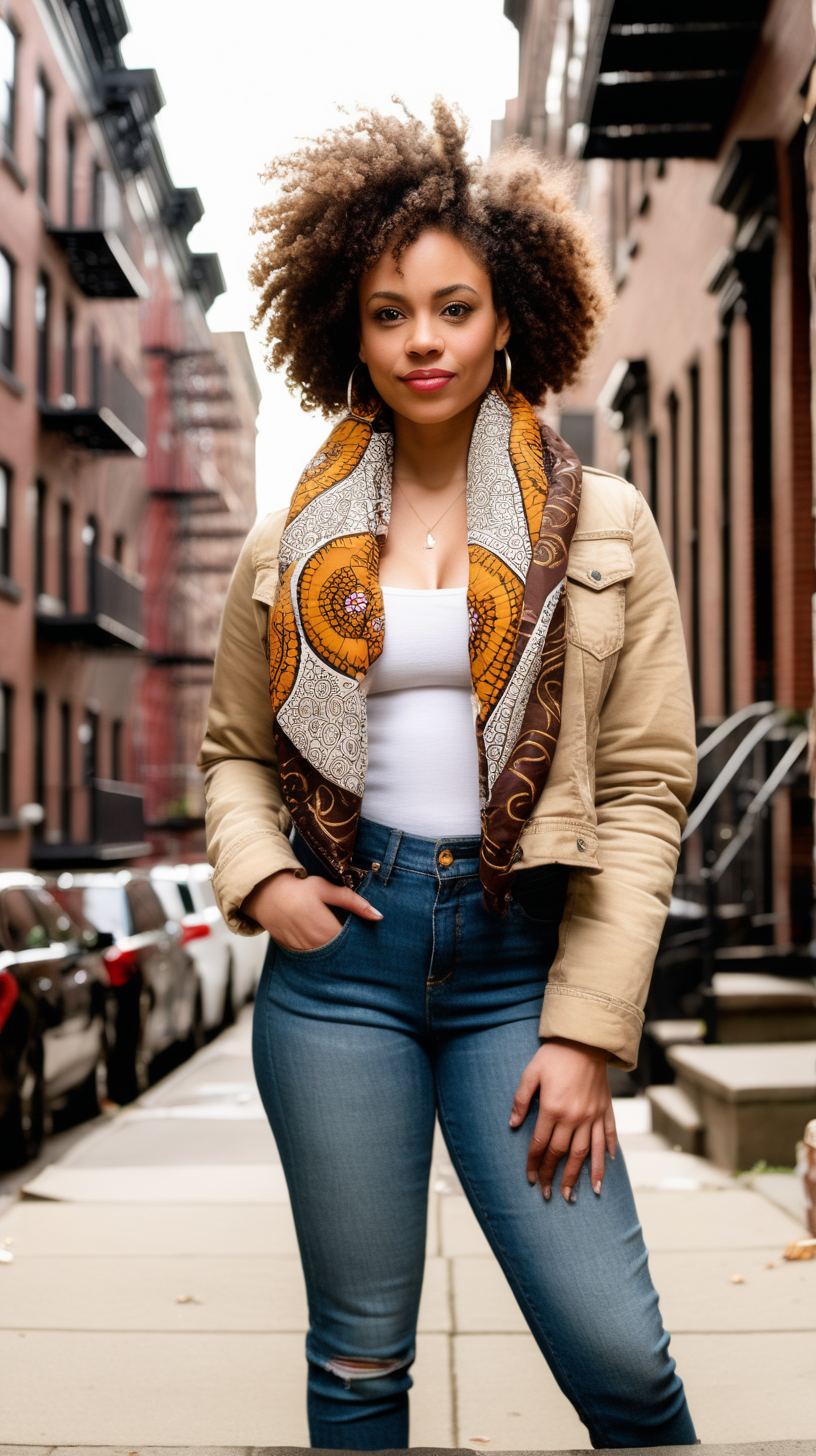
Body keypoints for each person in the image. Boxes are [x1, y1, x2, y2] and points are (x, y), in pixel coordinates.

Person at [199, 101, 698, 1451]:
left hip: (517, 968)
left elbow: (650, 784)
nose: (424, 340)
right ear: (345, 331)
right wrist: (264, 888)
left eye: (454, 307)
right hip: (339, 973)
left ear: (507, 316)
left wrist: (589, 1028)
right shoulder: (285, 541)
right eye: (389, 313)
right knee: (360, 1369)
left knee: (625, 1362)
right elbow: (236, 758)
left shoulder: (603, 522)